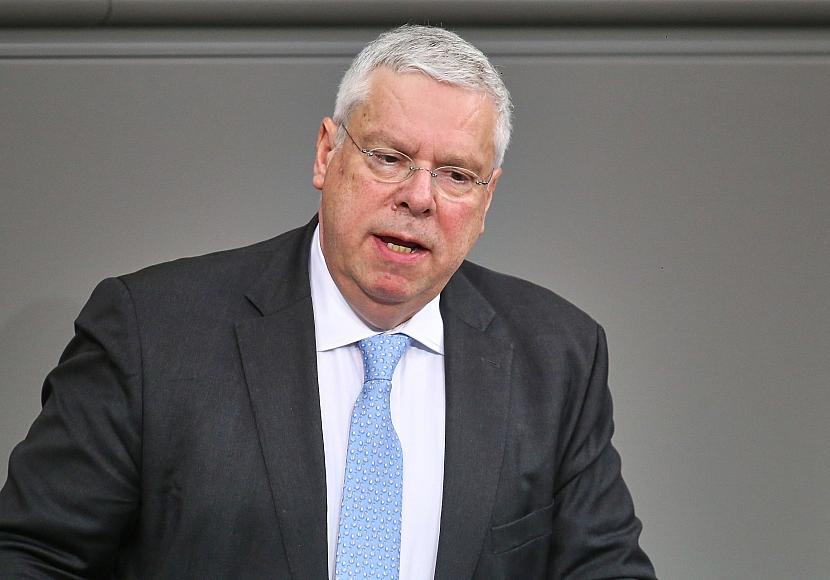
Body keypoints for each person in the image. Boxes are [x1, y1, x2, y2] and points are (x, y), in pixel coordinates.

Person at [0, 25, 655, 579]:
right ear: (326, 154)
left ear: (487, 200)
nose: (419, 197)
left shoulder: (557, 357)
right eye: (389, 157)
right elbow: (32, 556)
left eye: (456, 175)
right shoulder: (152, 332)